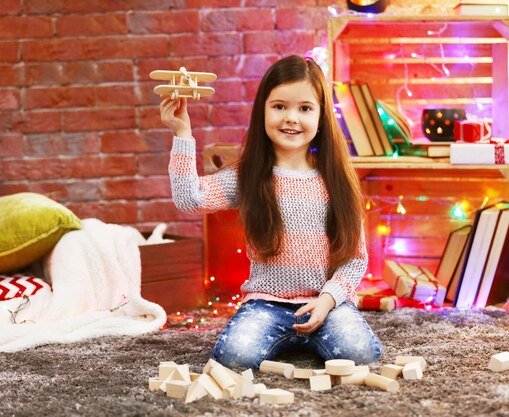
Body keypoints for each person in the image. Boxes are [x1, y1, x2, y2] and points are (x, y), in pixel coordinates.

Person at [159, 55, 382, 369]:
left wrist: (329, 299)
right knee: (233, 358)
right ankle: (292, 340)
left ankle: (311, 335)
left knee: (361, 354)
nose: (291, 117)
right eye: (279, 106)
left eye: (304, 108)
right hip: (265, 304)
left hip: (325, 302)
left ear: (321, 116)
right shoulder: (248, 176)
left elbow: (355, 259)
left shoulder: (338, 181)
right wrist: (182, 133)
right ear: (262, 111)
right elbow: (189, 199)